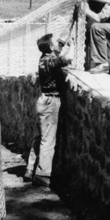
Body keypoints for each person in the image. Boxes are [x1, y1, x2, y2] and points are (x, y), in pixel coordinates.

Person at [25, 33, 73, 187]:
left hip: (42, 99)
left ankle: (30, 169)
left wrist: (61, 44)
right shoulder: (52, 60)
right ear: (50, 47)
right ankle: (43, 174)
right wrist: (71, 46)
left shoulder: (43, 59)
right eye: (53, 43)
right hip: (51, 101)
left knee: (40, 136)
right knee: (48, 140)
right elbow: (68, 59)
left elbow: (55, 56)